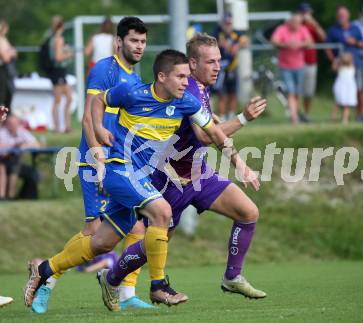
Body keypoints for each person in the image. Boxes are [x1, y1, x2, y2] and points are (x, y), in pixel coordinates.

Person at [24, 49, 259, 311]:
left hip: (142, 176)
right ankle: (158, 286)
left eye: (186, 77)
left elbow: (214, 133)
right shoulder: (133, 93)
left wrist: (240, 164)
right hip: (120, 170)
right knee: (162, 211)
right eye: (180, 76)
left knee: (102, 243)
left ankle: (45, 269)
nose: (185, 81)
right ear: (161, 76)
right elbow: (97, 101)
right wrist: (100, 128)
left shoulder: (187, 103)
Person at [96, 33, 267, 312]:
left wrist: (240, 163)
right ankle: (111, 276)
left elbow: (207, 129)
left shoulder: (200, 89)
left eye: (219, 61)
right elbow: (204, 136)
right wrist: (243, 118)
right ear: (192, 63)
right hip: (173, 180)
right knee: (156, 242)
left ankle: (232, 276)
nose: (217, 67)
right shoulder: (187, 89)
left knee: (248, 212)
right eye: (210, 61)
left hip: (200, 174)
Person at [29, 17, 152, 314]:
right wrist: (96, 157)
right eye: (134, 40)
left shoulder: (135, 79)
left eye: (143, 42)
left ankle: (126, 292)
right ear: (119, 41)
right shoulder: (104, 69)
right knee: (94, 232)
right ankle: (46, 276)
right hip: (95, 159)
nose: (139, 47)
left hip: (120, 162)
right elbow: (88, 118)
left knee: (139, 221)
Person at [326, 6, 363, 120]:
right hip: (341, 67)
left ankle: (359, 115)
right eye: (339, 15)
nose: (341, 17)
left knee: (358, 89)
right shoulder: (333, 30)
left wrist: (355, 42)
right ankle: (341, 116)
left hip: (356, 64)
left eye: (343, 15)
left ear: (348, 16)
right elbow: (327, 47)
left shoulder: (355, 28)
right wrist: (334, 60)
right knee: (341, 91)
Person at [271, 13, 312, 125]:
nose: (296, 25)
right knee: (291, 92)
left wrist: (299, 44)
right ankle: (294, 119)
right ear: (290, 22)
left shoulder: (303, 29)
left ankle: (295, 114)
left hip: (299, 66)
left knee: (297, 93)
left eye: (298, 23)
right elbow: (274, 41)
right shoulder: (282, 29)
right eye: (294, 23)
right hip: (285, 67)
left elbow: (309, 41)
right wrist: (286, 45)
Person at [212, 13, 248, 121]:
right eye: (226, 23)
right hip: (220, 68)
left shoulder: (236, 33)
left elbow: (246, 42)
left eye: (229, 23)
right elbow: (210, 42)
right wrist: (220, 44)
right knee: (221, 93)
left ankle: (231, 114)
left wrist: (238, 45)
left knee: (233, 92)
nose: (228, 25)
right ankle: (222, 117)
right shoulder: (217, 32)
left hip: (232, 67)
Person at [0, 115, 40, 199]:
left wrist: (23, 145)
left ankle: (15, 196)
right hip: (3, 161)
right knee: (9, 166)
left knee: (31, 171)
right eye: (10, 124)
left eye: (15, 124)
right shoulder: (2, 133)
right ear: (6, 124)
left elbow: (36, 144)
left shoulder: (22, 132)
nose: (13, 126)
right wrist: (13, 145)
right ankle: (6, 196)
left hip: (14, 162)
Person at [298, 3, 326, 121]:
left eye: (308, 13)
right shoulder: (296, 25)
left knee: (309, 92)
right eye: (304, 13)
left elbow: (324, 37)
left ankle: (306, 114)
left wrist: (314, 23)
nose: (306, 15)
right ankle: (296, 114)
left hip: (310, 62)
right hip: (296, 63)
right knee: (296, 91)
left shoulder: (313, 26)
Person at [47, 16, 73, 133]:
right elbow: (58, 57)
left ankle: (67, 126)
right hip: (58, 72)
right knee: (58, 100)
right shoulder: (59, 39)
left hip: (58, 72)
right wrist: (68, 54)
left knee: (68, 98)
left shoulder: (53, 38)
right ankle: (57, 127)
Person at [332, 52, 358, 124]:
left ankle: (334, 117)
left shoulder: (340, 68)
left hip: (343, 87)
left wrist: (336, 60)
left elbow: (334, 67)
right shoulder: (352, 67)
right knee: (346, 105)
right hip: (347, 88)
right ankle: (344, 119)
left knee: (338, 103)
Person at [0, 19, 17, 112]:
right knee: (3, 97)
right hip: (2, 70)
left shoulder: (4, 40)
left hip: (6, 71)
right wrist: (11, 52)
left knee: (7, 96)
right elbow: (6, 57)